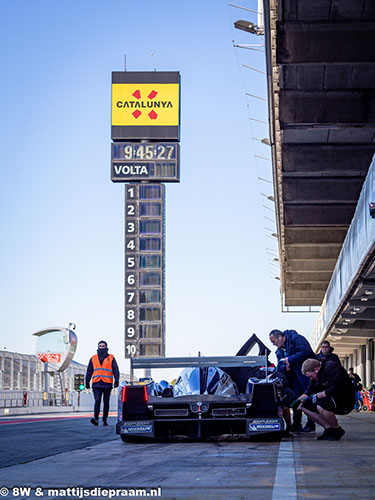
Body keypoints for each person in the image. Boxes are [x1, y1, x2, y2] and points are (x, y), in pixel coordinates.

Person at [269, 329, 317, 433]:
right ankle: (296, 425)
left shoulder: (297, 339)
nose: (273, 344)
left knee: (308, 397)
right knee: (296, 399)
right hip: (293, 378)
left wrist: (290, 360)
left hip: (305, 375)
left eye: (274, 341)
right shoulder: (279, 351)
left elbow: (306, 352)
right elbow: (281, 365)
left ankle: (310, 424)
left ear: (280, 337)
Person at [298, 358, 355, 440]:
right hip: (330, 398)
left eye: (311, 376)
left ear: (316, 369)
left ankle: (336, 429)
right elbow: (308, 392)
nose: (311, 378)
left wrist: (320, 395)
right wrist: (296, 402)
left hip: (344, 400)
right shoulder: (315, 378)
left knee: (322, 405)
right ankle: (329, 429)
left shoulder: (331, 367)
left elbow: (338, 387)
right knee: (305, 406)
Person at [86, 340, 119, 426]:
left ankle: (105, 419)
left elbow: (116, 370)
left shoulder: (111, 358)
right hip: (96, 383)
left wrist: (116, 380)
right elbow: (89, 371)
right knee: (97, 401)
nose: (101, 347)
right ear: (98, 347)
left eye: (103, 346)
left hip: (107, 383)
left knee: (106, 402)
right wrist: (87, 382)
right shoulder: (93, 358)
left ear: (106, 347)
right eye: (100, 346)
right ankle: (96, 419)